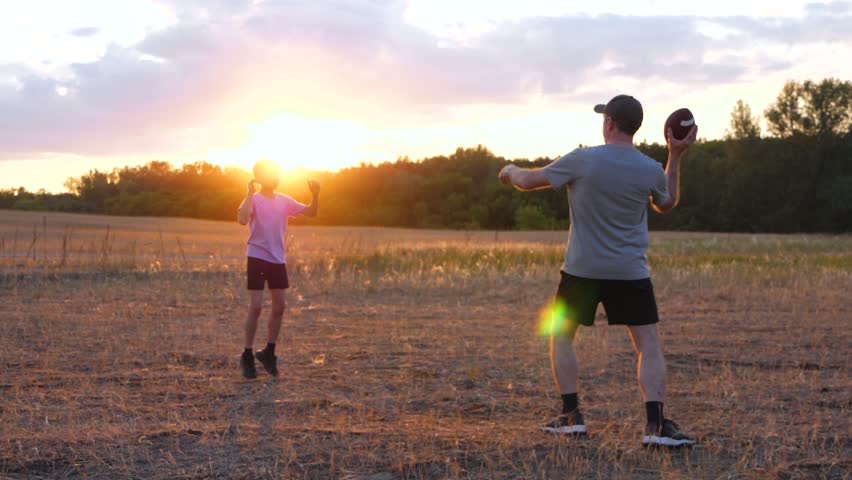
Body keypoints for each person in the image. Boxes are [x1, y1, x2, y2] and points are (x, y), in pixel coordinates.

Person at [498, 95, 698, 447]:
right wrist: (675, 155)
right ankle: (655, 426)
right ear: (634, 127)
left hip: (582, 270)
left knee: (561, 336)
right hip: (630, 272)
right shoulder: (650, 168)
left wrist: (510, 170)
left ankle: (571, 416)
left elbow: (528, 181)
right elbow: (667, 202)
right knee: (647, 345)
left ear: (609, 123)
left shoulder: (582, 159)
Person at [237, 159, 320, 379]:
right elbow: (242, 219)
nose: (277, 177)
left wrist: (316, 194)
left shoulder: (284, 200)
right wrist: (248, 193)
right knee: (256, 306)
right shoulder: (253, 199)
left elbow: (311, 212)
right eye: (272, 174)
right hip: (257, 257)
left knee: (280, 306)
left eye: (277, 173)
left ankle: (269, 353)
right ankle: (246, 355)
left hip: (277, 259)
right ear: (260, 177)